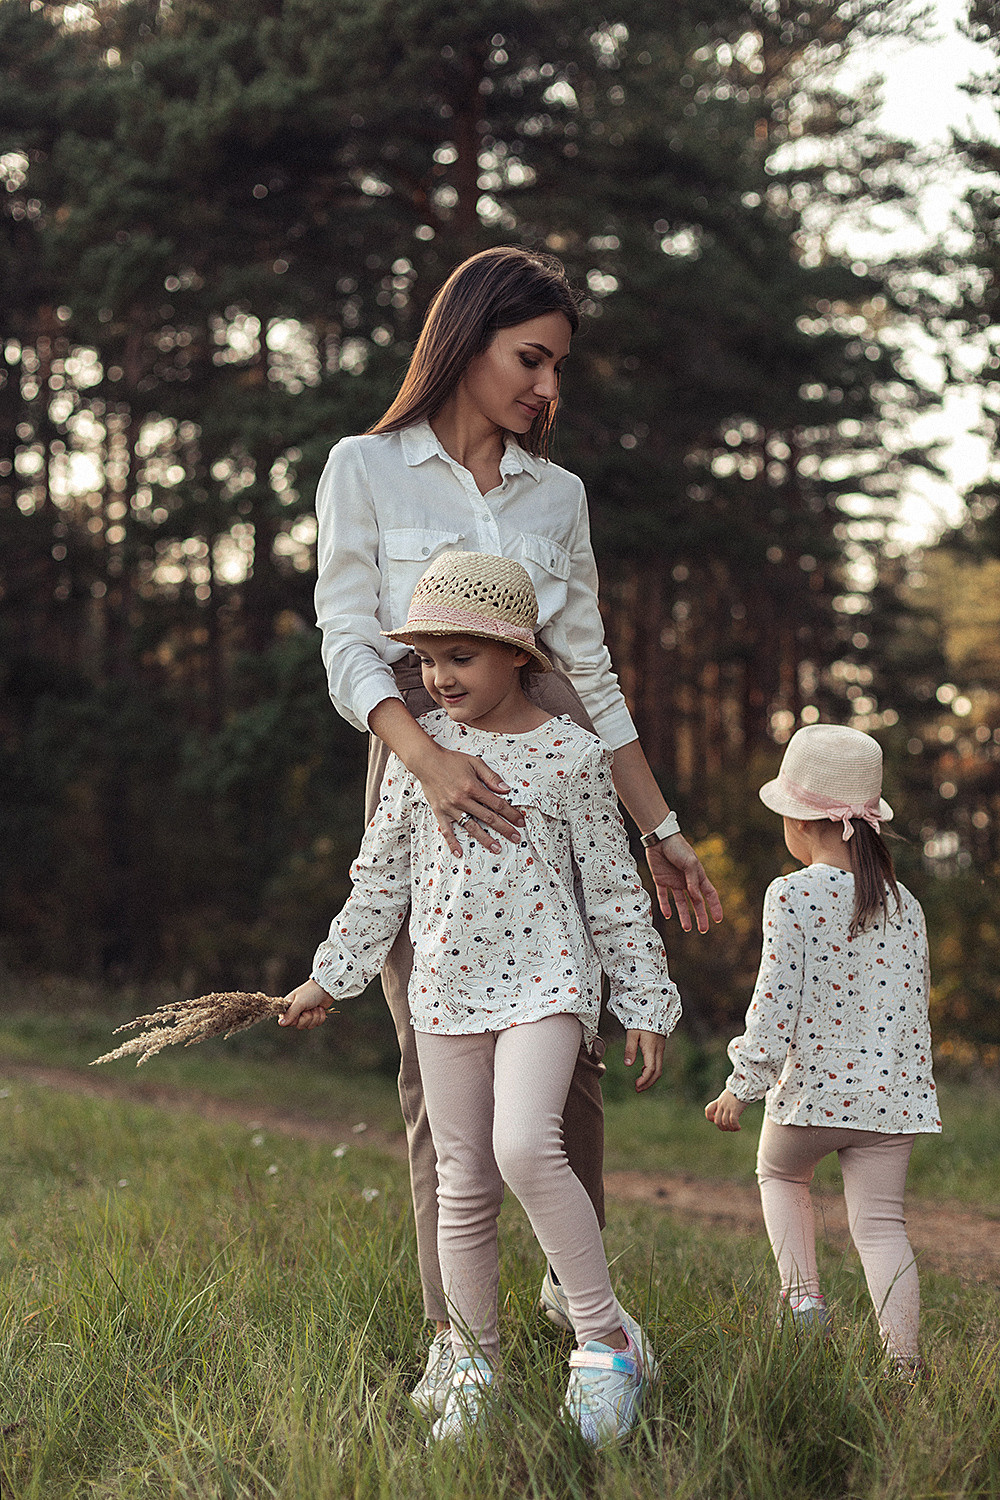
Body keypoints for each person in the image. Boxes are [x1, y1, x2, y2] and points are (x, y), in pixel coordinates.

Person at [311, 244, 722, 1405]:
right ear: (467, 341)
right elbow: (348, 637)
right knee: (435, 1075)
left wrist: (661, 830)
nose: (548, 388)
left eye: (559, 368)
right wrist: (426, 759)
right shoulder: (365, 467)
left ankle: (577, 1310)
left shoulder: (558, 495)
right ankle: (459, 1343)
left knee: (564, 1060)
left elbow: (587, 672)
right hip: (413, 775)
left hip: (554, 791)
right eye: (530, 358)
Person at [281, 552, 682, 1445]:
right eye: (427, 658)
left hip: (548, 980)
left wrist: (646, 1000)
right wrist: (330, 976)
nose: (438, 676)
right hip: (446, 985)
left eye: (460, 656)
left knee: (526, 1147)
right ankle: (472, 1357)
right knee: (462, 1180)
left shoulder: (574, 756)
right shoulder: (414, 753)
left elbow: (615, 892)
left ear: (518, 658)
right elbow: (378, 882)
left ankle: (604, 1341)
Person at [705, 724, 940, 1377]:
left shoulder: (793, 894)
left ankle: (804, 1305)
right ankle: (905, 1366)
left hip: (812, 1098)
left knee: (781, 1176)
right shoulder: (907, 905)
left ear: (801, 823)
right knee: (883, 1227)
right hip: (892, 1102)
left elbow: (774, 1003)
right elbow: (911, 1008)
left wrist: (740, 1086)